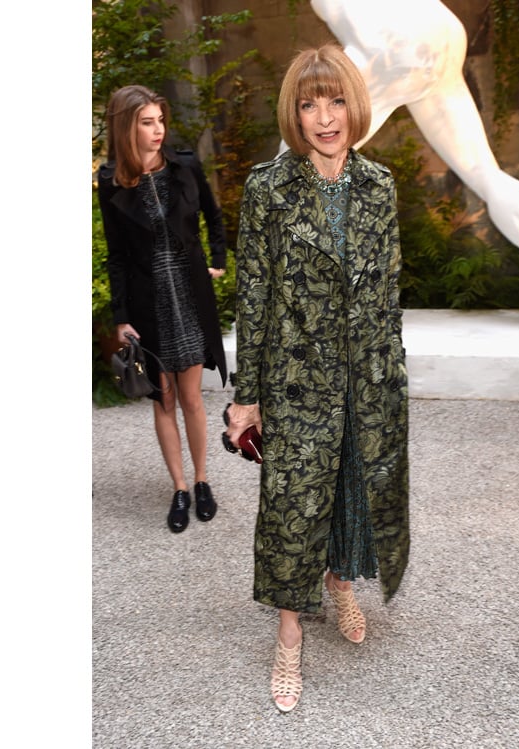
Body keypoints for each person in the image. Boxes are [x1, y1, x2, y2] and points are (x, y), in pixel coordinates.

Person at [225, 44, 411, 713]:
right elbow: (253, 297)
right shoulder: (269, 189)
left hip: (363, 380)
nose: (325, 117)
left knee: (350, 490)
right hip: (296, 381)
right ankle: (289, 636)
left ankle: (340, 582)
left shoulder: (380, 186)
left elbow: (387, 291)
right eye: (309, 104)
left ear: (354, 106)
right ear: (294, 114)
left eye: (335, 101)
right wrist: (247, 397)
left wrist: (390, 378)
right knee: (292, 507)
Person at [291, 0, 519, 321]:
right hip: (439, 31)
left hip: (386, 44)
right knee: (484, 172)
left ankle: (292, 296)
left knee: (292, 166)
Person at [97, 84, 228, 534]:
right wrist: (121, 317)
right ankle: (180, 488)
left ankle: (202, 480)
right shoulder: (111, 180)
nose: (158, 130)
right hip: (147, 303)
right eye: (147, 122)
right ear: (126, 128)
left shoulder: (184, 166)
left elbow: (213, 215)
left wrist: (217, 260)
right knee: (164, 399)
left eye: (160, 121)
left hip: (188, 298)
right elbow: (116, 255)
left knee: (191, 397)